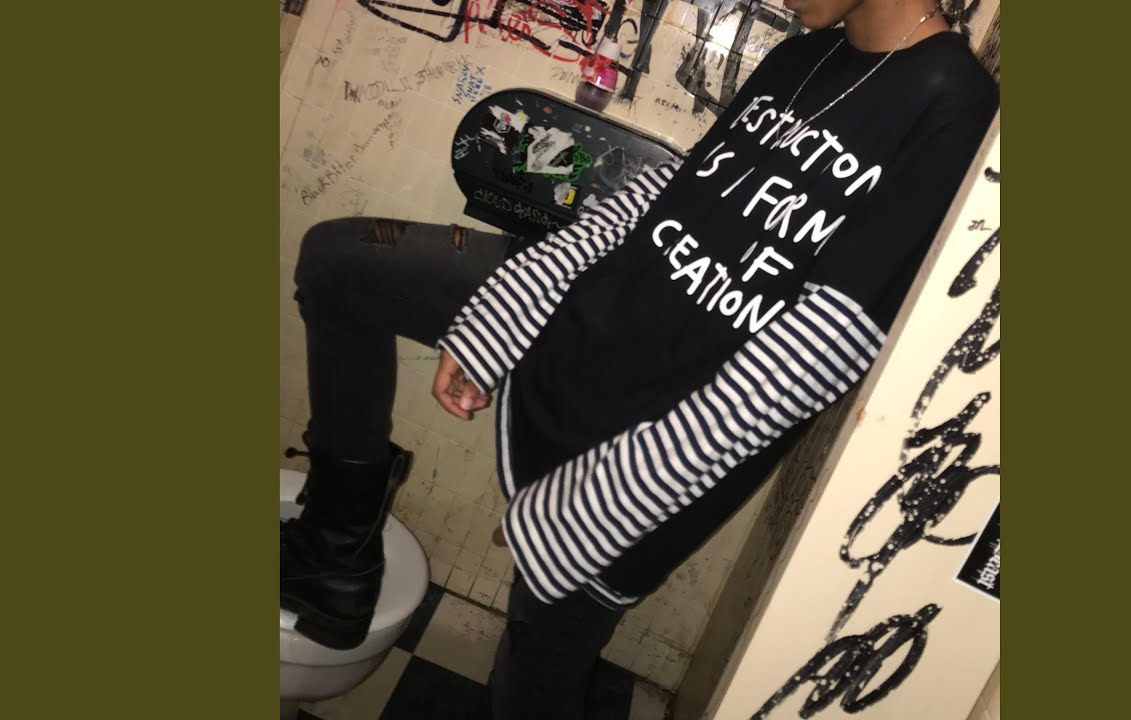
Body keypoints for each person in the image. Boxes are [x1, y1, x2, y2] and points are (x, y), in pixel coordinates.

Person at [281, 0, 998, 716]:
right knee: (342, 263)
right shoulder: (804, 55)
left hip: (669, 441)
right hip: (597, 323)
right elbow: (671, 193)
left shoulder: (955, 105)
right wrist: (511, 304)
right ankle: (336, 552)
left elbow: (820, 347)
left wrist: (592, 504)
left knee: (537, 659)